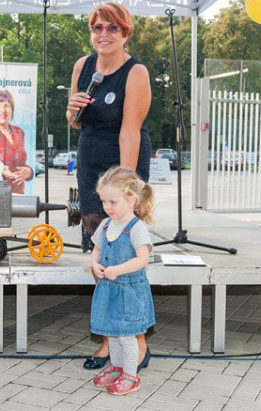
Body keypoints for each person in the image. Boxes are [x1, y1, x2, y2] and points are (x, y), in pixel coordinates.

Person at [65, 2, 152, 371]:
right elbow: (74, 122)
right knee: (100, 255)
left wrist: (125, 190)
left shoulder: (136, 73)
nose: (103, 34)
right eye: (97, 27)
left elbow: (130, 130)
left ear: (125, 33)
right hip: (90, 165)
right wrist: (71, 108)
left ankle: (138, 343)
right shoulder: (82, 67)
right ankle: (106, 341)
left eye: (111, 28)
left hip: (123, 161)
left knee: (124, 256)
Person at [90, 167, 155, 395]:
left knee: (127, 336)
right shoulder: (106, 224)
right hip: (109, 290)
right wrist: (95, 264)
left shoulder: (137, 228)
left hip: (129, 293)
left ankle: (131, 375)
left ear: (130, 200)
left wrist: (117, 269)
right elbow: (96, 249)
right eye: (104, 202)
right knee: (112, 332)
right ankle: (116, 368)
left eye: (113, 202)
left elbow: (142, 259)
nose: (107, 207)